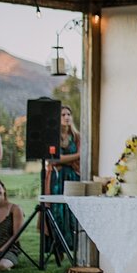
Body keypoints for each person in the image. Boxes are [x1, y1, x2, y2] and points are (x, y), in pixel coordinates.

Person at [44, 105, 81, 254]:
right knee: (57, 209)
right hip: (56, 178)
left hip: (72, 177)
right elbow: (52, 160)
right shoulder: (52, 137)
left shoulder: (77, 137)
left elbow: (63, 159)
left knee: (70, 210)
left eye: (69, 114)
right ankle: (57, 246)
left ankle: (71, 246)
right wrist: (77, 156)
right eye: (63, 115)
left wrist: (63, 160)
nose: (67, 117)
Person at [0, 178, 25, 271]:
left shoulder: (15, 209)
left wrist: (1, 250)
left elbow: (16, 236)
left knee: (2, 266)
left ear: (4, 190)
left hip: (9, 249)